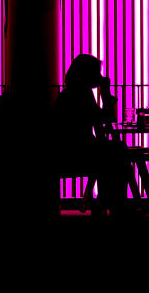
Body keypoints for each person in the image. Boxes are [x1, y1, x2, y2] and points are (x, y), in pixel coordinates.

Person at [52, 54, 127, 214]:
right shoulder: (80, 94)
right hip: (75, 153)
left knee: (114, 151)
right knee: (117, 153)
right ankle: (113, 206)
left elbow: (98, 120)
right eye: (96, 72)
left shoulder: (72, 92)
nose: (100, 76)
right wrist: (106, 93)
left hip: (67, 151)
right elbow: (106, 117)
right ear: (86, 74)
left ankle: (104, 204)